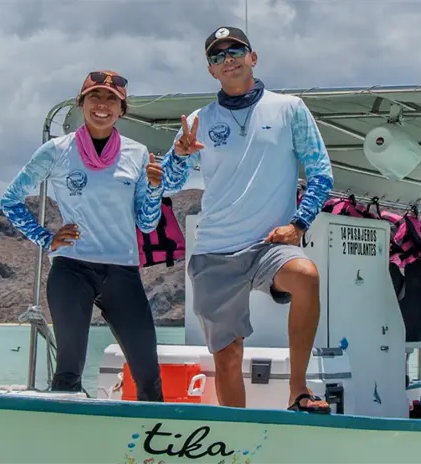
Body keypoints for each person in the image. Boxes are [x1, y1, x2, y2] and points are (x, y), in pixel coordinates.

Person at [160, 26, 335, 413]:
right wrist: (177, 153)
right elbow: (168, 184)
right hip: (214, 252)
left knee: (306, 276)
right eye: (218, 56)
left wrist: (299, 224)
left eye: (235, 50)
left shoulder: (289, 109)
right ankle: (236, 433)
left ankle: (299, 391)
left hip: (269, 244)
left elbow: (321, 173)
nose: (228, 59)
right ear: (211, 71)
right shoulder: (197, 120)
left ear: (253, 57)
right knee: (227, 357)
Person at [1, 70, 165, 402]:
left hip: (121, 269)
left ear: (122, 109)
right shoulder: (56, 150)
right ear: (81, 103)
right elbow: (10, 200)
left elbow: (147, 225)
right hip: (72, 268)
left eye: (111, 100)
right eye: (95, 97)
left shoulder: (137, 153)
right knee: (68, 372)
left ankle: (149, 449)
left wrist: (153, 188)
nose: (102, 105)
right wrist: (45, 237)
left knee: (148, 375)